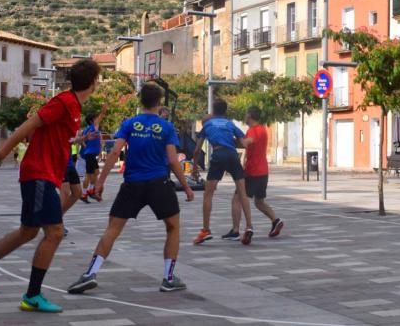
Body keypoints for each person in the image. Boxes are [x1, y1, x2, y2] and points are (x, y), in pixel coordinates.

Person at [0, 59, 101, 313]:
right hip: (39, 174)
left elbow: (58, 136)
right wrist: (2, 152)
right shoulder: (64, 102)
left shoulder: (73, 107)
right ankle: (32, 295)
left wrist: (81, 138)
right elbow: (29, 125)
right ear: (93, 82)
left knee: (28, 232)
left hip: (43, 174)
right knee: (55, 233)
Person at [67, 83, 194, 295]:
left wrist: (100, 182)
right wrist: (187, 187)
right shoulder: (166, 127)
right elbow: (172, 160)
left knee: (113, 229)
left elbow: (115, 152)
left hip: (132, 184)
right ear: (159, 102)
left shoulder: (129, 124)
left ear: (140, 101)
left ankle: (90, 273)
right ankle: (169, 278)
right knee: (173, 227)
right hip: (158, 184)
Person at [191, 98, 253, 245]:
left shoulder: (207, 125)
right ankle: (249, 227)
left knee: (208, 194)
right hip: (232, 155)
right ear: (225, 111)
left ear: (212, 111)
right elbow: (244, 143)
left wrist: (194, 167)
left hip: (218, 155)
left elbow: (197, 149)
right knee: (242, 193)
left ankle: (206, 230)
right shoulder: (230, 124)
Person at [227, 106, 284, 240]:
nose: (244, 116)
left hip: (253, 172)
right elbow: (247, 146)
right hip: (263, 171)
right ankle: (276, 220)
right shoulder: (262, 130)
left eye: (246, 114)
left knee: (237, 199)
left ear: (250, 116)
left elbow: (247, 142)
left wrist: (230, 136)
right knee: (259, 201)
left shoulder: (253, 131)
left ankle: (237, 230)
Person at [78, 106, 107, 202]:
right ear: (92, 120)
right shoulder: (93, 127)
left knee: (96, 172)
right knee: (88, 175)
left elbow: (81, 139)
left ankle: (90, 190)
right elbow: (102, 115)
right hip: (89, 154)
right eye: (95, 118)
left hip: (90, 154)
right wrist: (103, 110)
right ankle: (84, 194)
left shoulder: (87, 129)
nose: (97, 119)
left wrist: (85, 145)